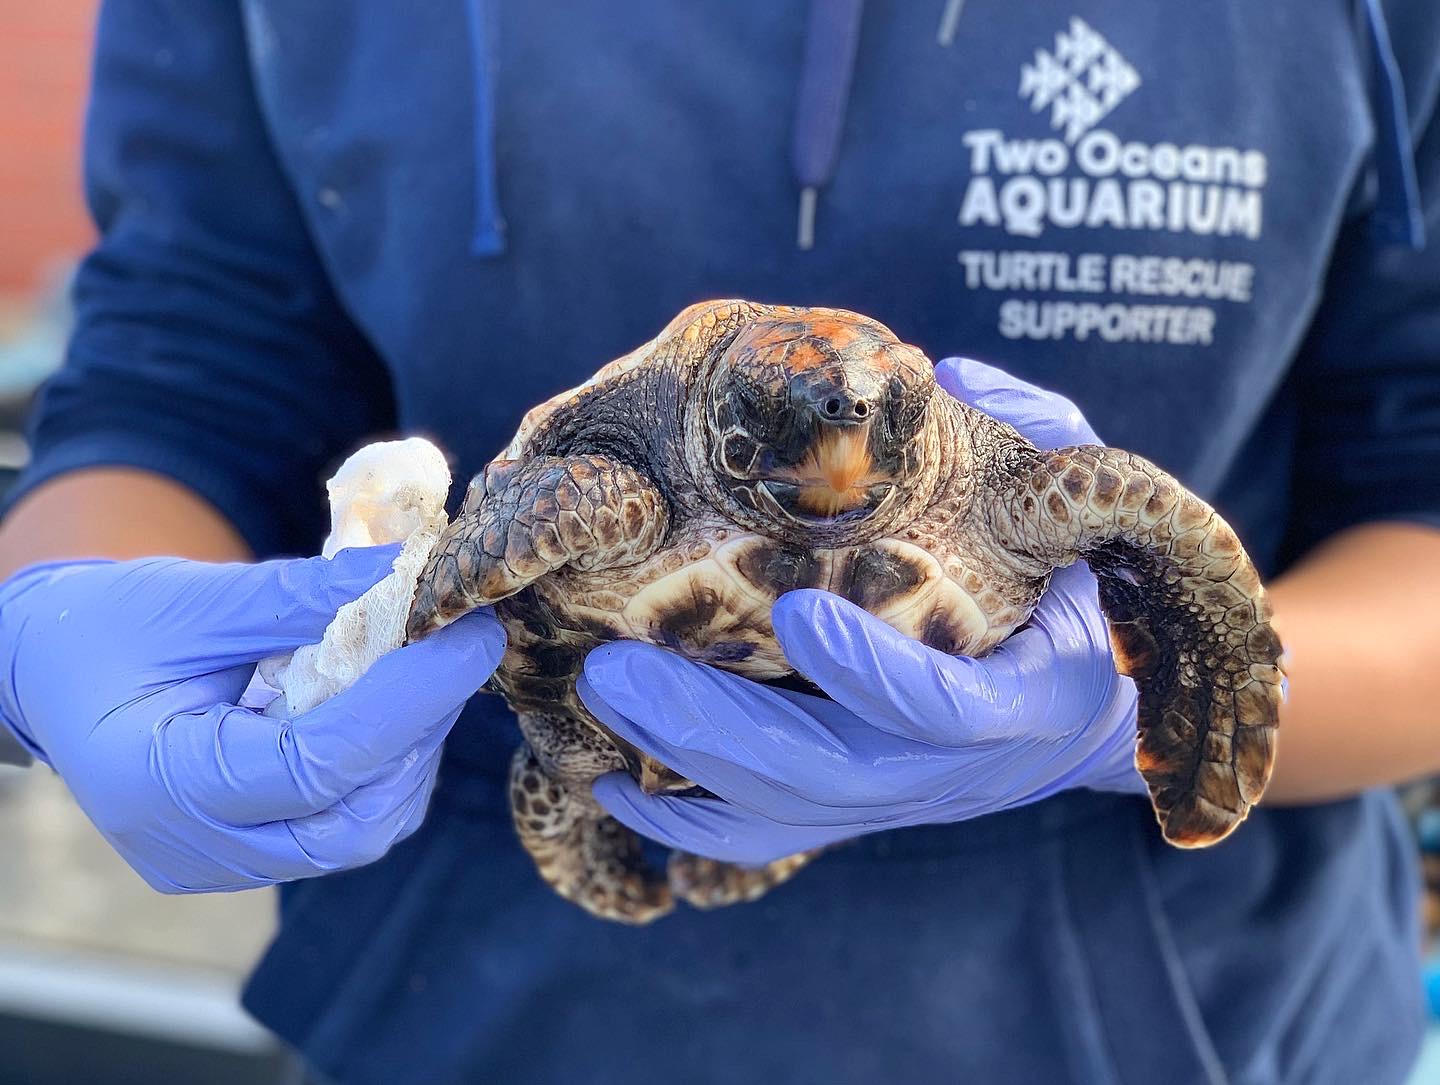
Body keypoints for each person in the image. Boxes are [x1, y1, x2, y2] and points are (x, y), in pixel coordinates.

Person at [1, 2, 1438, 1081]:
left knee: (1137, 509)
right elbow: (184, 377)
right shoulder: (622, 476)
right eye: (793, 428)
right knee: (565, 753)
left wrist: (1135, 712)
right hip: (489, 1007)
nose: (837, 457)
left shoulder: (990, 478)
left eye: (868, 426)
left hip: (1197, 1024)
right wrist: (55, 628)